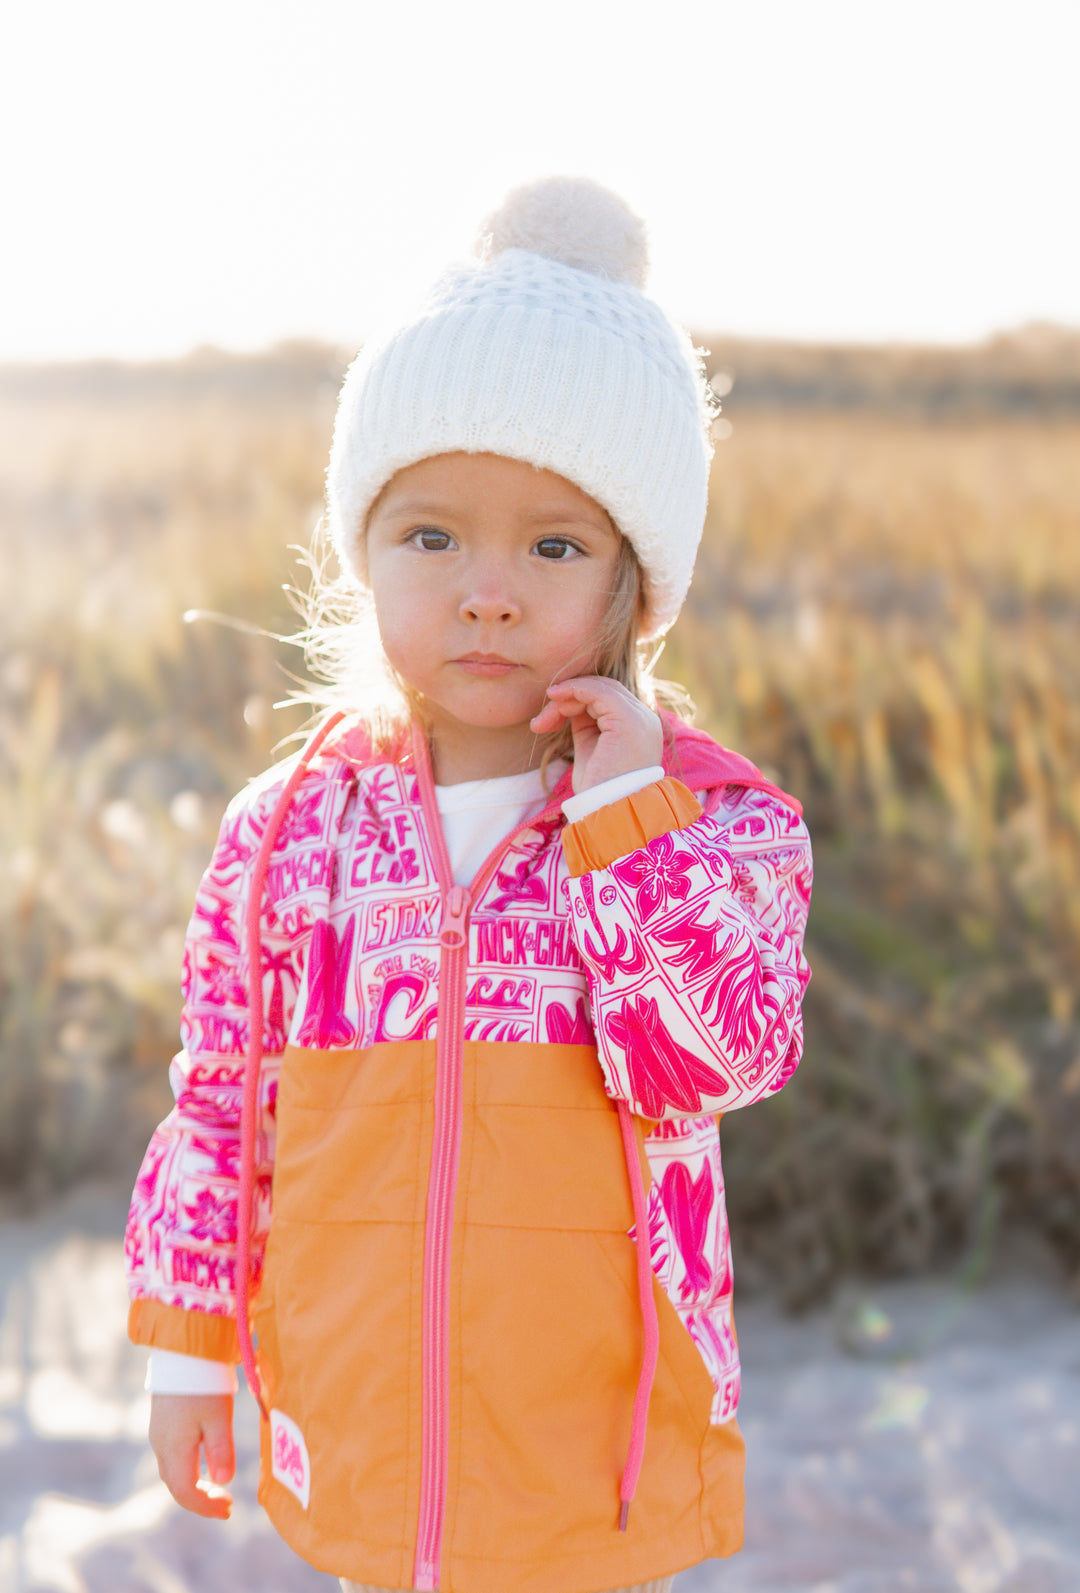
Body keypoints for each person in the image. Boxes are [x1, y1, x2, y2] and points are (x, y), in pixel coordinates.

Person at [125, 177, 813, 1593]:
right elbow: (219, 1091)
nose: (486, 590)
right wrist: (189, 1343)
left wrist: (628, 819)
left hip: (589, 1455)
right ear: (362, 551)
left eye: (553, 545)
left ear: (633, 585)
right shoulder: (287, 832)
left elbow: (719, 1056)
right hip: (362, 1426)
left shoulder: (712, 819)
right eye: (431, 535)